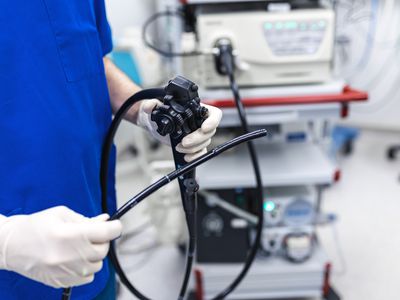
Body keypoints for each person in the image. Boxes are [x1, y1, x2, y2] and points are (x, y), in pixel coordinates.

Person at [0, 1, 222, 299]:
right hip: (14, 275)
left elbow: (90, 61)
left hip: (94, 233)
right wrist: (8, 242)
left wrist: (144, 109)